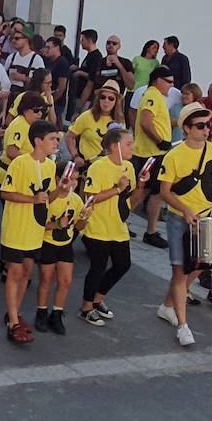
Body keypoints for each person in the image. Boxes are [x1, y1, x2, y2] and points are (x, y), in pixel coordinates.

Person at [156, 102, 212, 347]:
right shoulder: (174, 155)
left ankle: (168, 306)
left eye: (208, 125)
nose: (206, 130)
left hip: (208, 216)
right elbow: (164, 192)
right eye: (200, 126)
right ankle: (183, 325)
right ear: (187, 128)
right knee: (180, 271)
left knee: (197, 268)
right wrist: (185, 209)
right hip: (181, 219)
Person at [0, 120, 59, 344]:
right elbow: (6, 192)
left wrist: (60, 191)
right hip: (16, 227)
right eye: (52, 139)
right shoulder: (20, 163)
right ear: (38, 141)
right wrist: (32, 199)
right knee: (14, 273)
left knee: (26, 272)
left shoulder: (51, 166)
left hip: (34, 229)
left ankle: (15, 312)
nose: (56, 143)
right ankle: (13, 322)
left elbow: (47, 198)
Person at [79, 128, 137, 325]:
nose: (132, 148)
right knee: (97, 267)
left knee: (123, 264)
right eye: (128, 144)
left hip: (118, 226)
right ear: (114, 146)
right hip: (98, 226)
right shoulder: (98, 167)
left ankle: (98, 298)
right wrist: (116, 189)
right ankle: (86, 307)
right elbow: (90, 197)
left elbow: (130, 196)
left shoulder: (129, 166)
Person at [35, 164, 85, 335]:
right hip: (48, 243)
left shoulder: (77, 200)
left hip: (66, 245)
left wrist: (85, 218)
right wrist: (57, 224)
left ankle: (56, 314)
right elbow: (40, 225)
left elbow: (77, 225)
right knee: (46, 280)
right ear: (59, 179)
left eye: (76, 180)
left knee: (65, 281)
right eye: (70, 179)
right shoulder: (51, 199)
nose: (74, 183)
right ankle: (41, 311)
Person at [133, 66, 174, 248]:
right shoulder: (152, 95)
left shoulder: (156, 96)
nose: (171, 86)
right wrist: (159, 141)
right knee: (146, 191)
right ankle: (146, 230)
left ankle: (149, 230)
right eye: (168, 81)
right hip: (151, 153)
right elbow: (145, 121)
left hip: (153, 152)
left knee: (152, 191)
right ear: (158, 79)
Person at [67, 85, 121, 171]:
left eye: (111, 98)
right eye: (103, 97)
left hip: (107, 167)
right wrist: (75, 156)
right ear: (98, 99)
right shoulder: (87, 116)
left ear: (116, 101)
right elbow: (70, 136)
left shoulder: (119, 121)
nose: (106, 101)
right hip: (85, 165)